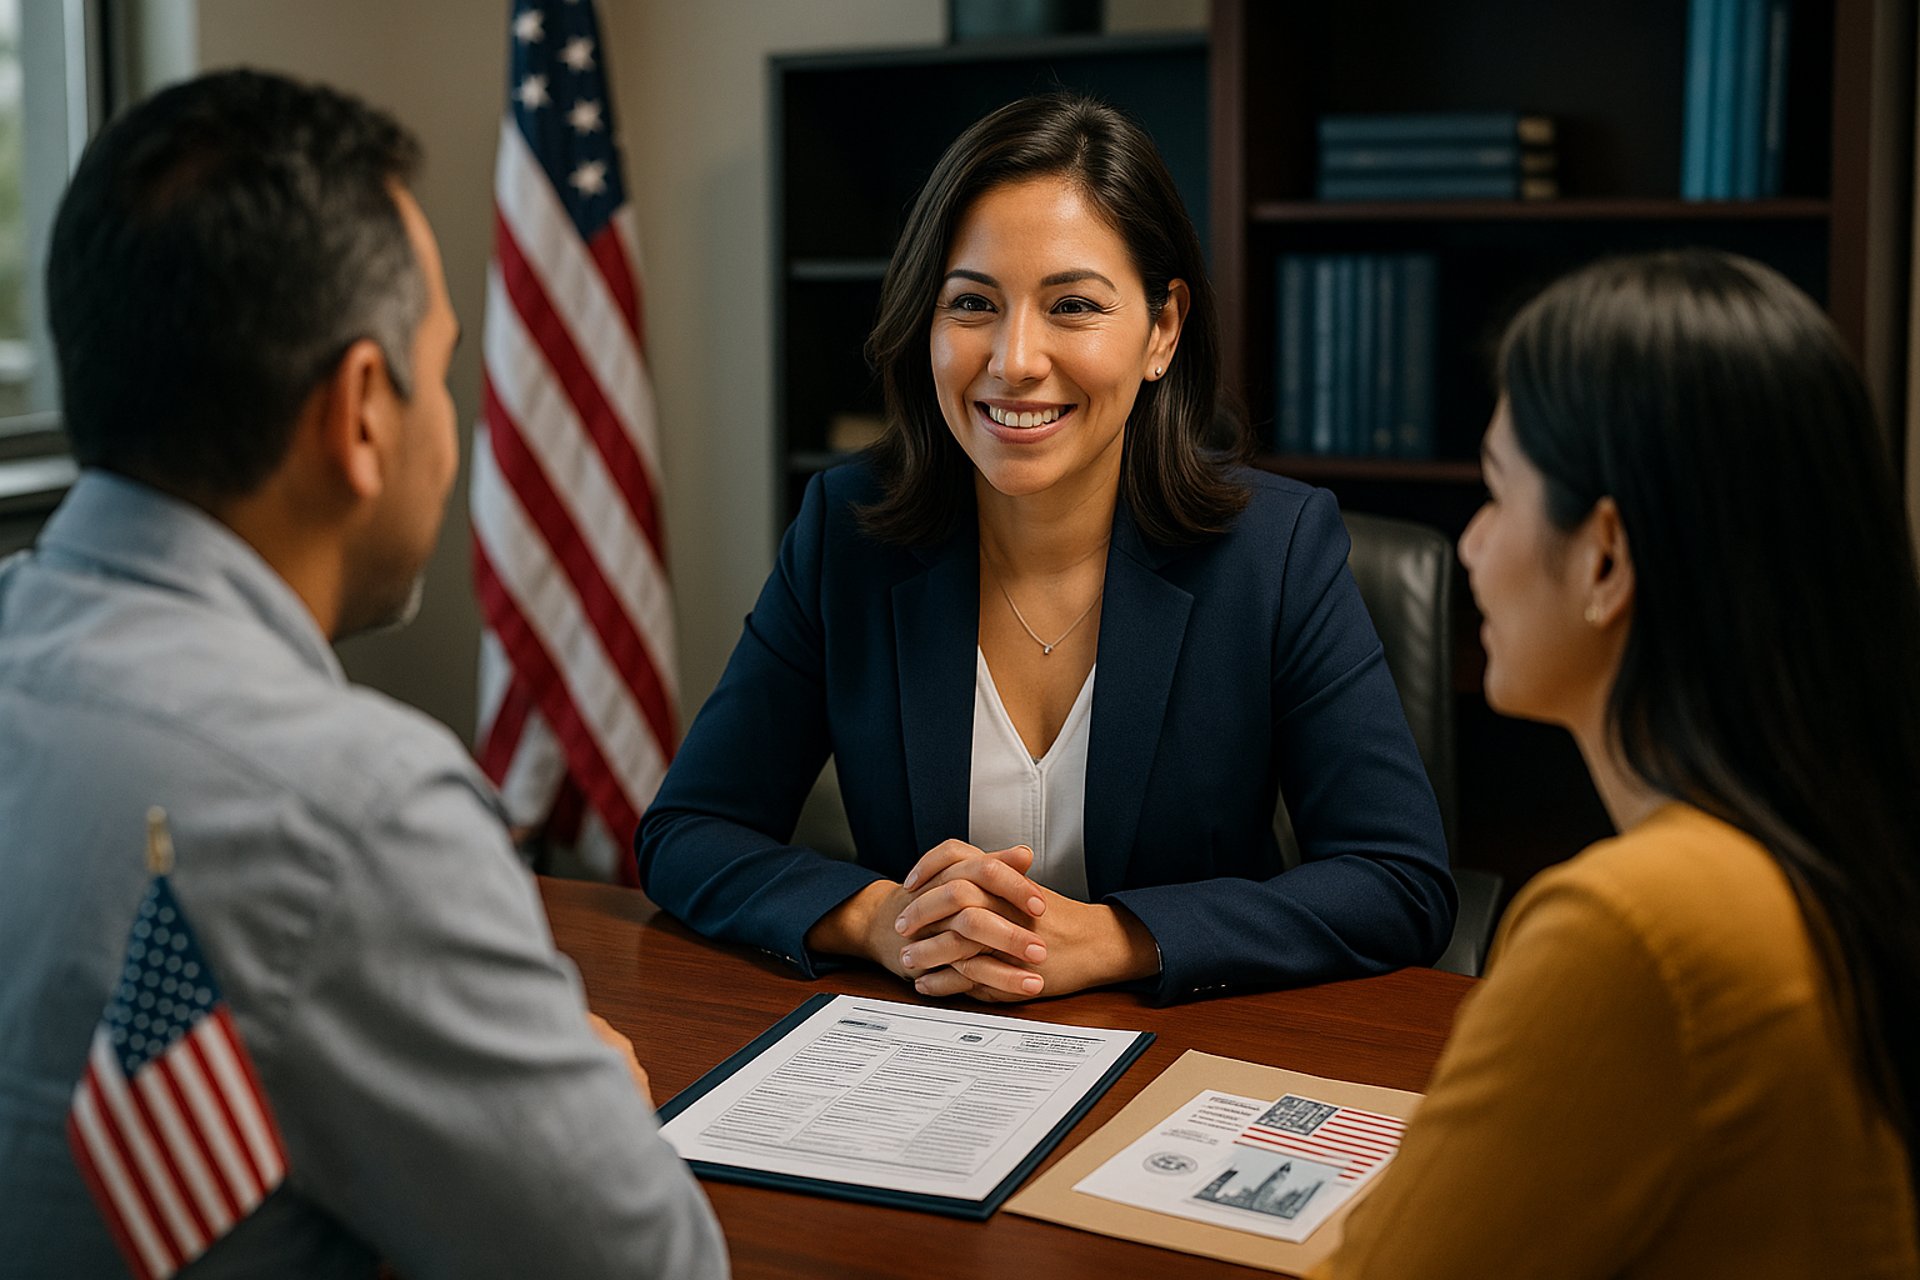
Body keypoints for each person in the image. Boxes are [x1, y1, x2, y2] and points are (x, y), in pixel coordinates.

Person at [0, 70, 727, 1279]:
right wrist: (585, 1080)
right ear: (361, 415)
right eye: (439, 372)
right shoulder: (355, 808)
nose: (450, 424)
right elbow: (655, 1267)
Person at [638, 94, 1454, 1005]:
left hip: (1185, 1060)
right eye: (973, 304)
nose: (1016, 359)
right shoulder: (847, 528)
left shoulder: (1275, 552)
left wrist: (1117, 938)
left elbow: (1398, 880)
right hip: (924, 1063)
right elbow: (689, 830)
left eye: (1072, 305)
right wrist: (879, 920)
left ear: (1162, 331)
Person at [1315, 250, 1920, 1276]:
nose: (1469, 546)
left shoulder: (1636, 930)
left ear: (1605, 557)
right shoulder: (1838, 843)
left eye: (1498, 493)